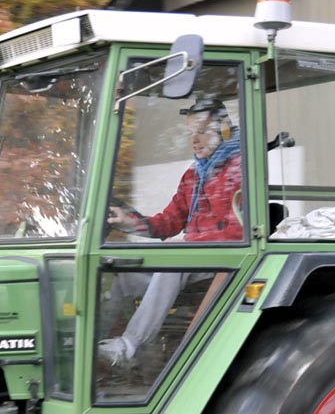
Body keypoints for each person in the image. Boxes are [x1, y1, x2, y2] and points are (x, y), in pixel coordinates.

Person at [98, 99, 243, 367]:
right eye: (190, 133)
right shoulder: (193, 176)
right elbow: (169, 222)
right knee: (123, 276)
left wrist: (193, 247)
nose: (194, 140)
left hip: (225, 259)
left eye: (201, 131)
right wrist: (128, 222)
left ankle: (130, 345)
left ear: (224, 129)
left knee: (174, 263)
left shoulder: (242, 170)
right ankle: (96, 346)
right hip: (194, 258)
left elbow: (239, 231)